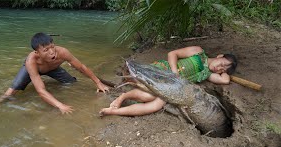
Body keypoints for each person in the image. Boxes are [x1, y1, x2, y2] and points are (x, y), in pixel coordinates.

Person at [99, 46, 237, 116]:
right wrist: (174, 71)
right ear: (219, 56)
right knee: (151, 94)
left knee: (155, 105)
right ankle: (123, 97)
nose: (220, 68)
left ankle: (114, 111)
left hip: (171, 87)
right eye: (222, 62)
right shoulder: (198, 52)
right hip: (164, 70)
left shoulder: (207, 74)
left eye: (223, 69)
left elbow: (225, 81)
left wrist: (225, 71)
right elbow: (173, 53)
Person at [0, 32, 109, 114]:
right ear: (37, 52)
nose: (52, 52)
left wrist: (98, 82)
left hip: (53, 68)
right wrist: (59, 105)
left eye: (52, 47)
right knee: (13, 90)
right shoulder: (31, 61)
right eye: (46, 50)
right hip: (35, 70)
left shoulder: (62, 52)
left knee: (72, 83)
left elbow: (81, 67)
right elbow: (41, 90)